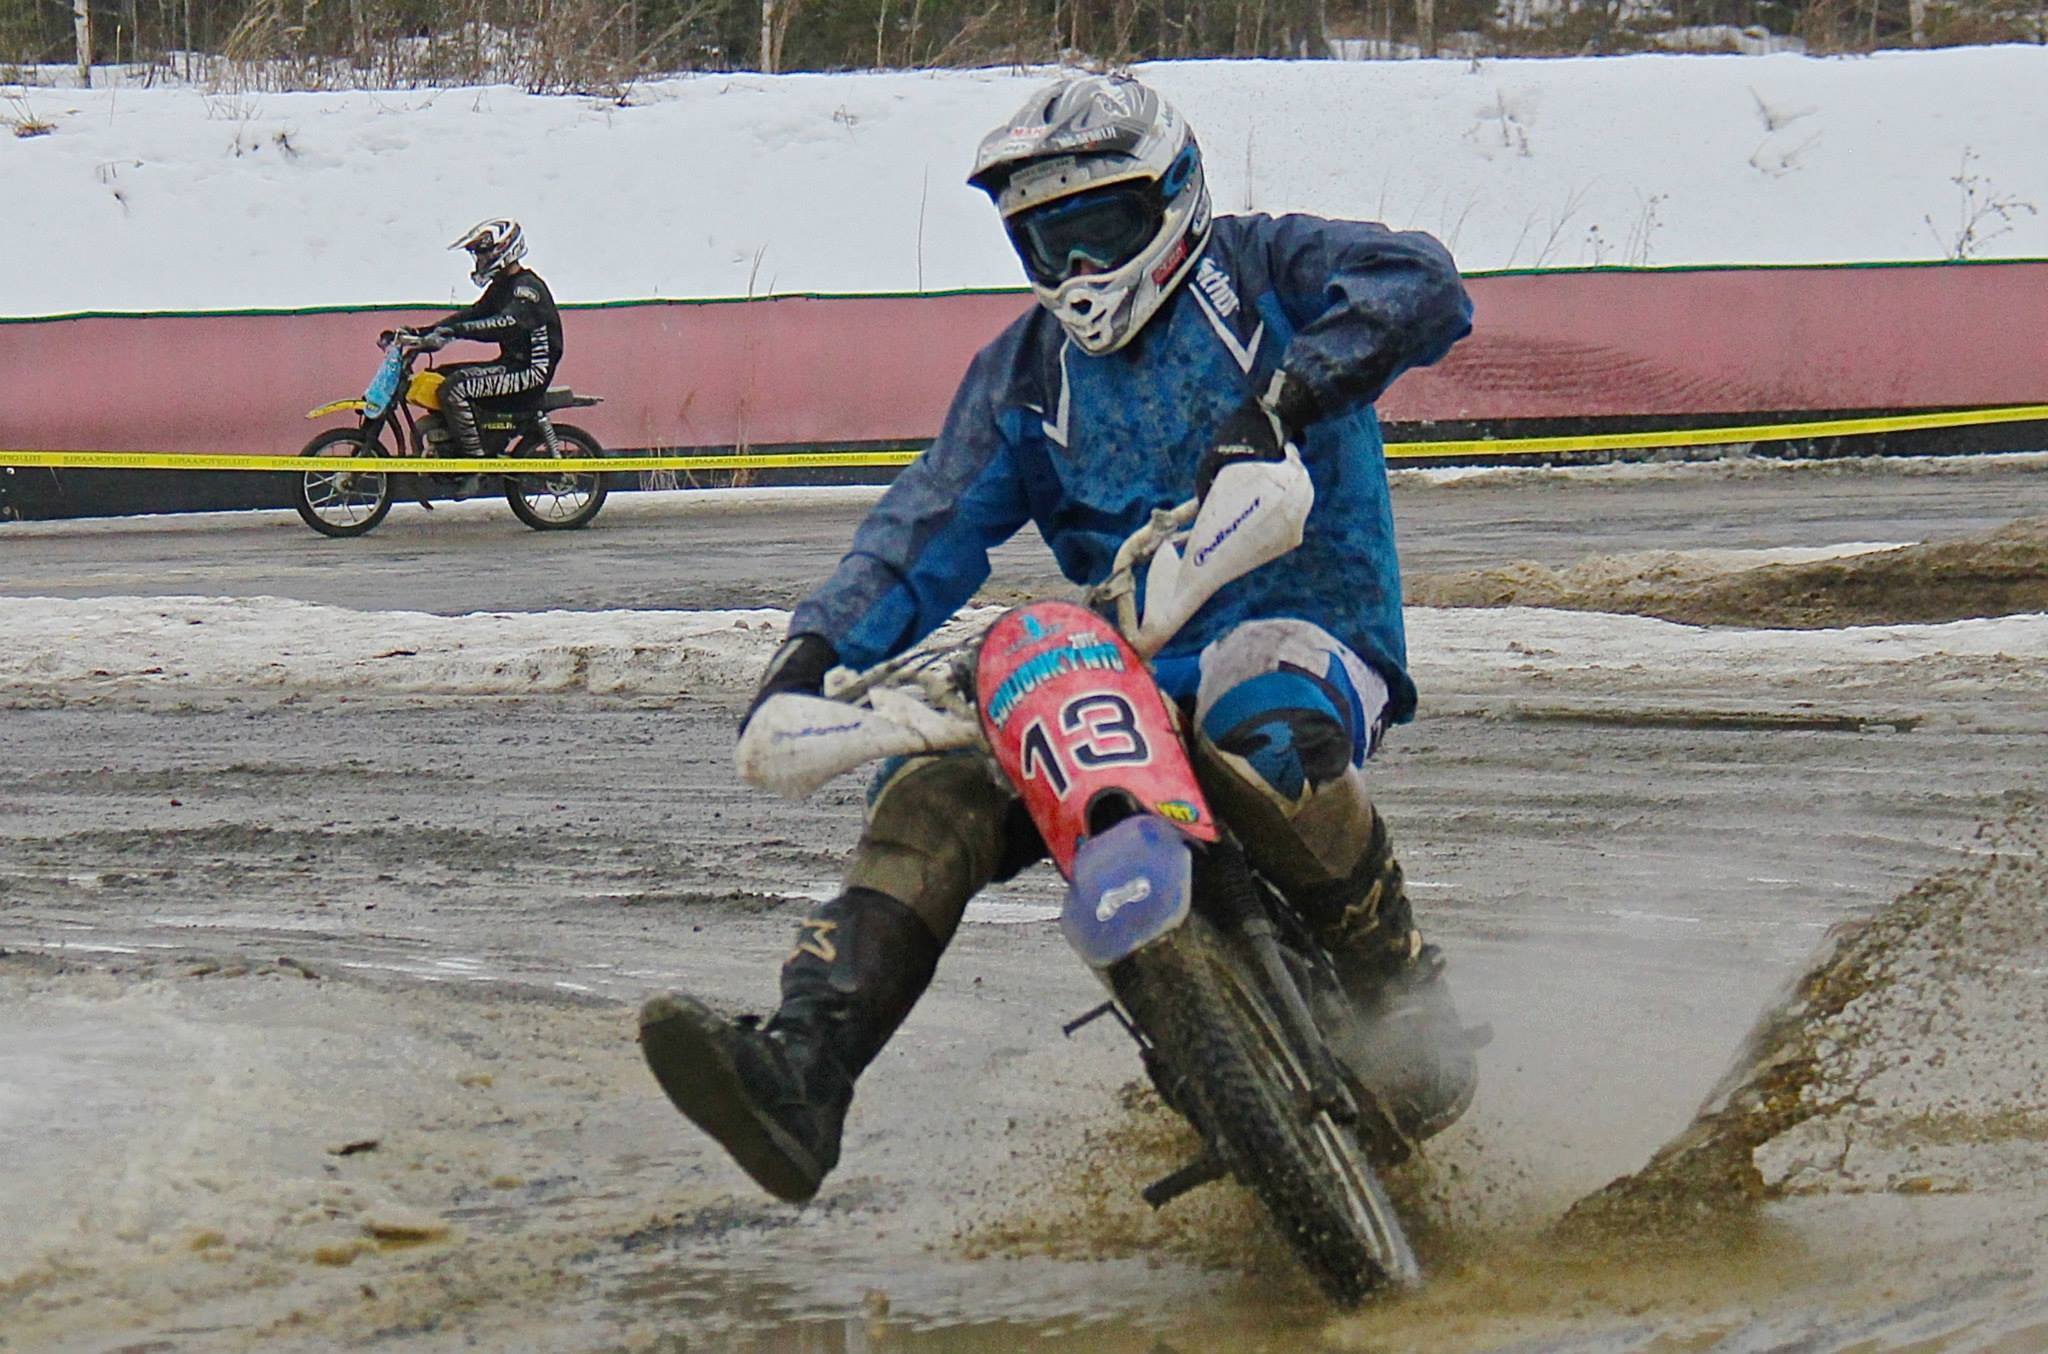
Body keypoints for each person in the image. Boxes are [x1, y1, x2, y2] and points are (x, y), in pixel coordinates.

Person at [639, 74, 1478, 1206]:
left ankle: (1397, 988)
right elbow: (926, 522)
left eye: (1103, 227)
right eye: (1047, 240)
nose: (1080, 267)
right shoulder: (1027, 374)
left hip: (1309, 627)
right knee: (933, 785)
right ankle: (805, 1066)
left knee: (1260, 713)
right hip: (1126, 665)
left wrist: (1283, 398)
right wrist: (812, 651)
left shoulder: (1265, 270)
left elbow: (1420, 284)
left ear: (1173, 198)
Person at [399, 218, 563, 457]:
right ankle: (456, 442)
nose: (479, 260)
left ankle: (475, 460)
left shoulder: (526, 289)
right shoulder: (502, 286)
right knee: (440, 376)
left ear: (503, 250)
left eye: (482, 253)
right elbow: (474, 314)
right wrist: (424, 332)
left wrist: (454, 332)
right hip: (512, 365)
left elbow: (504, 323)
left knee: (455, 388)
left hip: (531, 372)